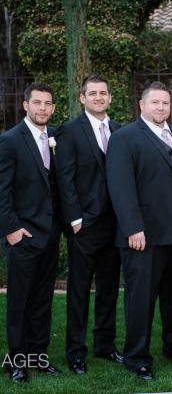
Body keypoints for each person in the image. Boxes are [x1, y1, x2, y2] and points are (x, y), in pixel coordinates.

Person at [106, 81, 172, 380]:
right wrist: (133, 228)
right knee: (141, 299)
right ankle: (136, 356)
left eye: (165, 103)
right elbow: (121, 187)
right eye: (155, 102)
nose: (161, 107)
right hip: (143, 236)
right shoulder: (124, 138)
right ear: (142, 105)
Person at [55, 74, 122, 374]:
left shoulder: (119, 130)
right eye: (92, 93)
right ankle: (76, 352)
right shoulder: (70, 131)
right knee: (79, 290)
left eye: (103, 93)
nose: (98, 97)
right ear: (82, 98)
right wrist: (75, 219)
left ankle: (105, 345)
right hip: (84, 225)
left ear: (110, 97)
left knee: (109, 288)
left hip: (115, 224)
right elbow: (64, 178)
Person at [0, 83, 62, 382]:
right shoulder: (10, 140)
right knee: (19, 303)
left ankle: (38, 356)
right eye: (37, 102)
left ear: (53, 107)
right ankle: (16, 362)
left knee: (42, 301)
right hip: (22, 236)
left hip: (49, 235)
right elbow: (2, 192)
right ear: (26, 105)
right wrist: (11, 230)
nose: (42, 108)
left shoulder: (54, 137)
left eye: (47, 103)